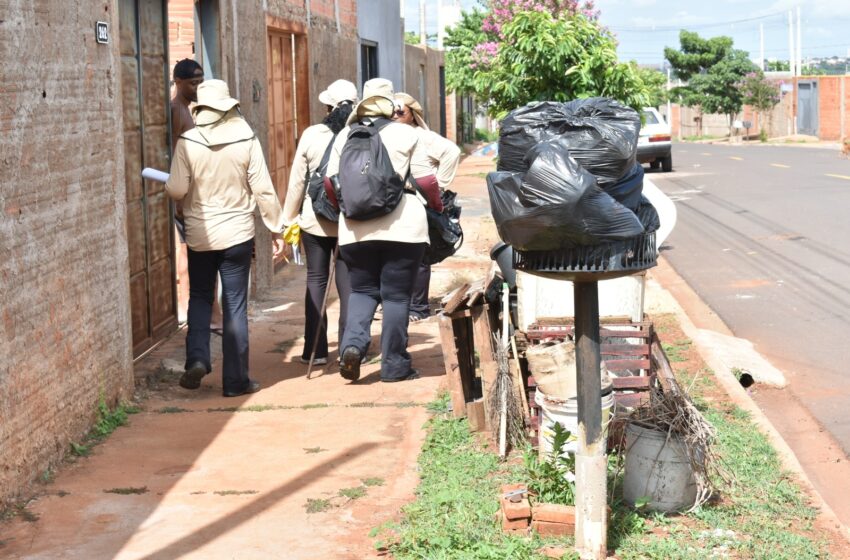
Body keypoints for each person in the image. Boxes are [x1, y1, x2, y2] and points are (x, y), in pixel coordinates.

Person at [166, 79, 286, 397]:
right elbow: (262, 188)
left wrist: (172, 184)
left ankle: (197, 359)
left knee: (201, 297)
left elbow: (177, 189)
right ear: (228, 107)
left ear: (201, 110)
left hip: (200, 234)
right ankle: (235, 381)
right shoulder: (246, 139)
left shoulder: (187, 142)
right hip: (237, 236)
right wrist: (276, 227)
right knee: (234, 305)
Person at [325, 78, 440, 383]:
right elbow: (427, 181)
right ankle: (394, 365)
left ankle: (351, 347)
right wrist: (437, 206)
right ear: (392, 106)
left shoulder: (344, 136)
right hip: (403, 228)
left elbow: (329, 182)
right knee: (396, 297)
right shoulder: (407, 134)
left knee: (362, 291)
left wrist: (347, 208)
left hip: (354, 230)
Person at [282, 80, 358, 367]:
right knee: (347, 281)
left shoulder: (312, 134)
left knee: (316, 279)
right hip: (350, 219)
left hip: (314, 219)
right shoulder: (359, 133)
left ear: (328, 107)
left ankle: (316, 349)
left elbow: (297, 182)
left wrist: (288, 220)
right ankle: (351, 347)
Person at [393, 93, 461, 322]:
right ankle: (401, 303)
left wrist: (438, 186)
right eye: (391, 111)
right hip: (398, 203)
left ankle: (418, 307)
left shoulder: (421, 136)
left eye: (400, 112)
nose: (395, 115)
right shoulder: (391, 133)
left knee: (419, 256)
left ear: (413, 114)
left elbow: (452, 152)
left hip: (420, 202)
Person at [170, 59, 204, 323]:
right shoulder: (175, 110)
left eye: (200, 84)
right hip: (180, 193)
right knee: (183, 252)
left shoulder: (187, 110)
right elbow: (171, 155)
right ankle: (183, 307)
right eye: (193, 84)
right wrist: (180, 198)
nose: (197, 89)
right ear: (178, 82)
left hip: (189, 191)